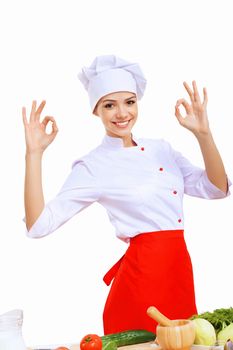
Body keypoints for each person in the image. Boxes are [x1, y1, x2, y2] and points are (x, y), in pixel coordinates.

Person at [22, 55, 231, 334]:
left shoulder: (162, 149)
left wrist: (204, 135)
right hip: (140, 284)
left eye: (129, 102)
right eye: (110, 105)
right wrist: (34, 155)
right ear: (96, 111)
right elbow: (38, 225)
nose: (122, 113)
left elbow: (217, 189)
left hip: (179, 272)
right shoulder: (94, 165)